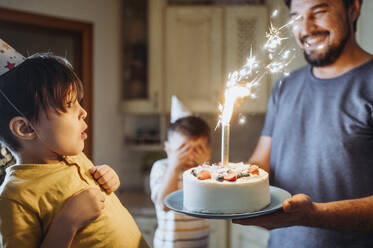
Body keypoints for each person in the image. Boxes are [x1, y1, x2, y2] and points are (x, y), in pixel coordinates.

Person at [232, 0, 373, 247]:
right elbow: (260, 164)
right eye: (297, 17)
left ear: (353, 9)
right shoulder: (284, 87)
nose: (306, 28)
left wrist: (314, 215)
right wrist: (229, 180)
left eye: (319, 12)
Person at [0, 48, 148, 247]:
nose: (83, 112)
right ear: (25, 128)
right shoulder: (15, 196)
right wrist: (67, 222)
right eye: (69, 105)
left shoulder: (75, 157)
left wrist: (108, 177)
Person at [150, 116, 211, 248]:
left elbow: (212, 202)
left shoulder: (209, 173)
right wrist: (174, 166)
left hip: (200, 243)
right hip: (168, 245)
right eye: (183, 149)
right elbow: (164, 205)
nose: (190, 156)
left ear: (208, 151)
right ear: (168, 149)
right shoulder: (162, 168)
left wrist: (204, 168)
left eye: (197, 149)